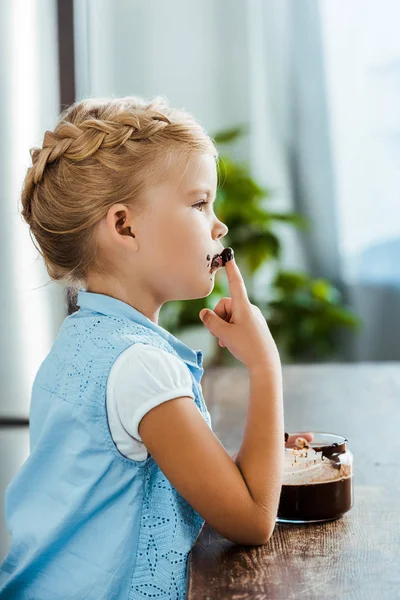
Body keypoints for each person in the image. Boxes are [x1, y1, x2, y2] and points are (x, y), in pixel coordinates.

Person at [0, 96, 285, 599]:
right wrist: (265, 366)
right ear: (124, 227)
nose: (218, 225)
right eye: (200, 203)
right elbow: (253, 518)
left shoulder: (78, 343)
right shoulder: (141, 369)